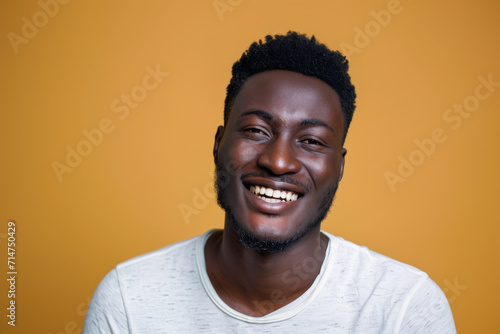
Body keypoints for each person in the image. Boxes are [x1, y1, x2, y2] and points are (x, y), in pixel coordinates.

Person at [83, 31, 456, 333]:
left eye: (310, 141)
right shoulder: (129, 298)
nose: (277, 161)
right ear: (218, 144)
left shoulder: (404, 308)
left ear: (339, 168)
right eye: (256, 130)